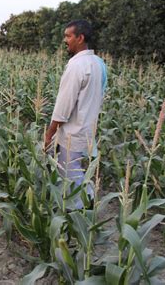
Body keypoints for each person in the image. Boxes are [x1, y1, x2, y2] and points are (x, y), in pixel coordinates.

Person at [44, 20, 107, 209]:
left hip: (73, 131)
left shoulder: (77, 65)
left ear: (80, 38)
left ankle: (81, 212)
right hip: (89, 128)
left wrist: (49, 133)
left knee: (70, 176)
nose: (66, 40)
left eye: (68, 36)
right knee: (78, 171)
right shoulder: (98, 63)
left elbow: (64, 106)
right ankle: (87, 202)